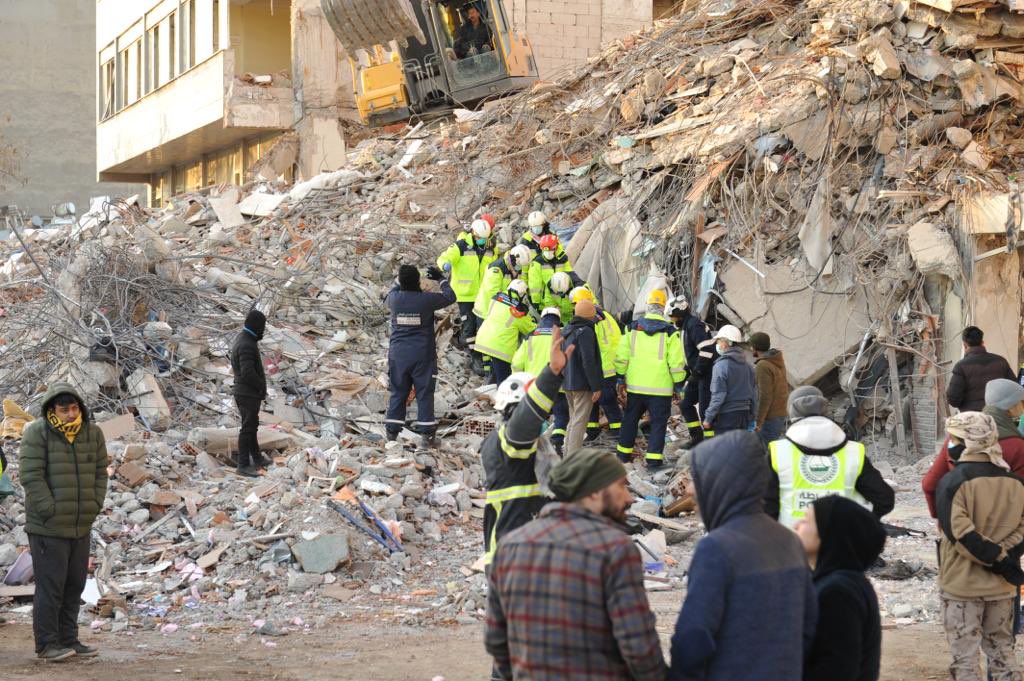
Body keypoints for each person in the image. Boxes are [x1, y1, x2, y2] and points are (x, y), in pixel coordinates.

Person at [486, 449, 667, 681]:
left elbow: (497, 640)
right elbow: (639, 648)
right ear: (594, 492)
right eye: (621, 486)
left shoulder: (510, 546)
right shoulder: (614, 549)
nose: (629, 498)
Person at [669, 431, 817, 681]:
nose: (691, 489)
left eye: (698, 477)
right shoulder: (790, 541)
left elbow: (692, 639)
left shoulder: (716, 548)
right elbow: (809, 627)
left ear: (722, 483)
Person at [19, 384, 109, 662]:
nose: (71, 414)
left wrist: (94, 505)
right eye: (64, 410)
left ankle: (69, 640)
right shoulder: (37, 432)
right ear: (52, 410)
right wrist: (50, 510)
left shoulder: (92, 433)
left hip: (80, 524)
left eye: (74, 408)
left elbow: (100, 473)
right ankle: (47, 644)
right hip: (48, 527)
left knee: (74, 585)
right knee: (51, 587)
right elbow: (31, 476)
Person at [935, 411, 1024, 681]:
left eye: (954, 438)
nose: (950, 444)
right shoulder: (1015, 483)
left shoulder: (952, 483)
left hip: (962, 588)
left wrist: (997, 557)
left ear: (966, 441)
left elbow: (960, 534)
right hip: (1002, 586)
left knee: (965, 660)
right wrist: (1004, 559)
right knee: (1003, 653)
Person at [481, 326, 574, 566]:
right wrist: (552, 373)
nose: (544, 418)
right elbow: (526, 419)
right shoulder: (509, 442)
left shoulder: (529, 446)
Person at [765, 386, 894, 528]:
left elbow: (765, 506)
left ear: (791, 414)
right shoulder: (853, 452)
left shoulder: (779, 452)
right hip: (842, 538)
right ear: (824, 411)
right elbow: (883, 499)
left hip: (793, 538)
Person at [796, 496, 886, 681]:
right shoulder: (844, 582)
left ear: (826, 533)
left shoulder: (837, 593)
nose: (796, 525)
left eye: (805, 520)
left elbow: (836, 668)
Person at [923, 379, 1024, 517]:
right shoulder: (1017, 446)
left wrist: (943, 519)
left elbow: (929, 484)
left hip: (959, 523)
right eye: (1021, 402)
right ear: (1011, 406)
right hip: (1002, 526)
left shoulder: (957, 438)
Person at [384, 264, 456, 448]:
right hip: (422, 355)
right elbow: (450, 297)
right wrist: (441, 279)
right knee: (424, 394)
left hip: (398, 355)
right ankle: (426, 438)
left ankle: (391, 436)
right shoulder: (426, 300)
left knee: (398, 392)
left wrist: (402, 282)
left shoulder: (394, 299)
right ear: (418, 281)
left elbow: (392, 291)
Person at [615, 289, 686, 469]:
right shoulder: (670, 331)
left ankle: (622, 456)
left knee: (630, 420)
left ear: (647, 306)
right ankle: (653, 461)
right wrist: (679, 383)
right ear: (663, 308)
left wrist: (620, 377)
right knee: (658, 424)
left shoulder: (631, 328)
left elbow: (622, 356)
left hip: (635, 387)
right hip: (660, 389)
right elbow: (676, 362)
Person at [437, 218, 498, 376]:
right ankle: (474, 357)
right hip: (464, 295)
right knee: (470, 325)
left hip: (483, 294)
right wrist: (445, 265)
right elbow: (443, 258)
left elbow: (494, 267)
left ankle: (485, 355)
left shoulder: (490, 248)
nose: (482, 240)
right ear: (472, 233)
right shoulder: (461, 246)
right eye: (479, 237)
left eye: (484, 238)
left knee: (483, 325)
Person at [572, 287, 624, 444]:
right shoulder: (603, 315)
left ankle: (618, 434)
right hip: (607, 365)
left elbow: (589, 346)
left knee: (606, 401)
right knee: (594, 401)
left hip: (603, 368)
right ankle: (593, 431)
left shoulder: (592, 319)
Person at [668, 295, 716, 445]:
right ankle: (697, 438)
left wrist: (697, 372)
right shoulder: (686, 326)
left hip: (706, 374)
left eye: (674, 317)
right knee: (685, 404)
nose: (673, 320)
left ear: (681, 314)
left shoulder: (694, 325)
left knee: (705, 410)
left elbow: (707, 350)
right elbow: (691, 355)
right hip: (697, 373)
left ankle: (710, 443)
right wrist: (688, 373)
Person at [560, 298, 604, 456]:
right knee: (579, 422)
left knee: (573, 420)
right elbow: (588, 361)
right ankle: (572, 459)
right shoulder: (585, 331)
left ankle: (567, 454)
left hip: (568, 382)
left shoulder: (567, 330)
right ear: (591, 314)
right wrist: (596, 387)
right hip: (582, 384)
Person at [230, 308, 269, 477]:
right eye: (262, 327)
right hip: (247, 393)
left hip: (246, 392)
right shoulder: (246, 344)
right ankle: (243, 465)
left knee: (252, 427)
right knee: (247, 429)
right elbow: (248, 373)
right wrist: (261, 386)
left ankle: (257, 459)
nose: (263, 331)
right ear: (257, 326)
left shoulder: (244, 338)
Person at [476, 279, 537, 386]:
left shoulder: (496, 298)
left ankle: (490, 389)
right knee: (504, 381)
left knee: (496, 373)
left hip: (484, 339)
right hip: (501, 348)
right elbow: (531, 330)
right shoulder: (519, 310)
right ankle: (499, 394)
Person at [702, 325, 757, 436]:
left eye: (718, 341)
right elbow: (754, 394)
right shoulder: (748, 366)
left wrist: (708, 418)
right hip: (744, 415)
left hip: (727, 417)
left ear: (725, 343)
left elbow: (718, 395)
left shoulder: (721, 365)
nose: (717, 344)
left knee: (726, 447)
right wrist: (752, 415)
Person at [947, 326, 1016, 412]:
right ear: (982, 342)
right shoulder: (1001, 361)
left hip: (973, 417)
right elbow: (1014, 389)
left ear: (965, 345)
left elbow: (953, 400)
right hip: (998, 416)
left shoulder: (961, 366)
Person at [473, 243, 534, 322]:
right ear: (513, 258)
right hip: (486, 311)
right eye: (519, 265)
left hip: (499, 311)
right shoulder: (496, 269)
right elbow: (492, 293)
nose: (520, 267)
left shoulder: (514, 268)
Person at [750, 331, 789, 445]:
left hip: (769, 417)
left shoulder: (763, 365)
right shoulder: (776, 360)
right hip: (779, 413)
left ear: (755, 347)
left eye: (751, 346)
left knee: (765, 451)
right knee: (772, 448)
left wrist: (759, 421)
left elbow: (765, 395)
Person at [528, 234, 579, 308]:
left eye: (551, 250)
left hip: (563, 295)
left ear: (556, 248)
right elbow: (534, 284)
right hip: (547, 299)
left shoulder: (562, 258)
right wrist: (536, 302)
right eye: (546, 250)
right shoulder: (537, 263)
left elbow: (570, 274)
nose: (548, 253)